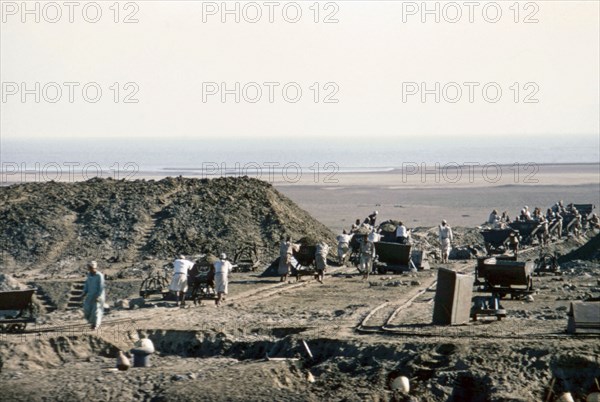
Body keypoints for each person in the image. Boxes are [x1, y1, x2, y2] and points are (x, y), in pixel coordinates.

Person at [82, 261, 105, 330]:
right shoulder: (89, 275)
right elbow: (87, 284)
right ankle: (92, 323)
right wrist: (84, 292)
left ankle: (95, 325)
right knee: (87, 309)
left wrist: (98, 296)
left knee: (96, 311)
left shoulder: (99, 275)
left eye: (91, 268)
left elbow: (101, 287)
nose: (90, 269)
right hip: (90, 295)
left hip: (98, 296)